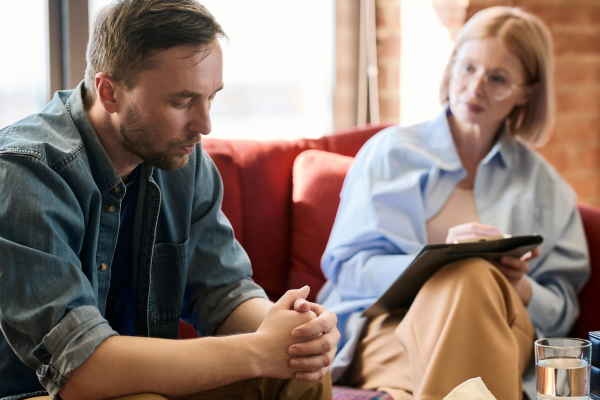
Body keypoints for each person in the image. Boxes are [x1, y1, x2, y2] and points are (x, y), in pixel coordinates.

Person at [0, 1, 340, 399]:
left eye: (211, 97)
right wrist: (258, 352)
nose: (205, 126)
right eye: (181, 102)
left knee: (303, 371)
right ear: (109, 92)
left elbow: (222, 291)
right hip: (34, 392)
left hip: (136, 384)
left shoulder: (182, 160)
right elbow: (81, 369)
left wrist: (294, 332)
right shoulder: (25, 174)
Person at [318, 6, 589, 400]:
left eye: (497, 78)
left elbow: (564, 307)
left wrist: (519, 286)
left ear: (526, 92)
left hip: (504, 324)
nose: (476, 87)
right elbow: (348, 270)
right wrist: (438, 261)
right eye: (467, 68)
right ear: (452, 65)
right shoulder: (389, 153)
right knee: (466, 273)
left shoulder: (546, 187)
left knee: (475, 278)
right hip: (389, 327)